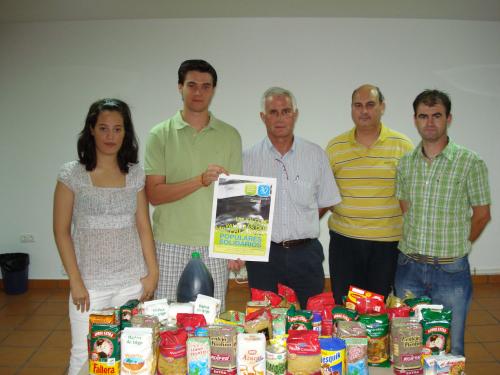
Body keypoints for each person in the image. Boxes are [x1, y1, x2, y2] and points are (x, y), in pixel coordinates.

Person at [53, 98, 159, 375]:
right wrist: (75, 281)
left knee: (130, 354)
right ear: (90, 129)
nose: (110, 136)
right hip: (90, 287)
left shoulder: (135, 174)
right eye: (103, 128)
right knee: (84, 356)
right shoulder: (72, 174)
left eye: (117, 129)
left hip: (131, 282)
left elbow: (143, 227)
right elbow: (61, 231)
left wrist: (152, 272)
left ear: (126, 133)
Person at [395, 89, 491, 355]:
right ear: (415, 119)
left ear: (449, 118)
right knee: (407, 346)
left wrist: (459, 244)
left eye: (436, 115)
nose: (429, 122)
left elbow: (482, 215)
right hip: (409, 268)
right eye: (423, 116)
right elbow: (406, 206)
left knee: (449, 349)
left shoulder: (470, 162)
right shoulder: (405, 164)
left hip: (451, 272)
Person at [144, 59, 243, 310]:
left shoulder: (230, 135)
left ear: (213, 90)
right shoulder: (160, 134)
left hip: (214, 244)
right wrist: (200, 180)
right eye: (192, 85)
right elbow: (154, 194)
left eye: (206, 86)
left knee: (210, 320)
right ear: (180, 87)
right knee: (165, 318)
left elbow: (236, 197)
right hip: (168, 241)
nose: (199, 92)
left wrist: (235, 247)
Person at [243, 87, 341, 309]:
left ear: (295, 114)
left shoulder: (315, 155)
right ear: (263, 117)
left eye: (286, 111)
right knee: (263, 320)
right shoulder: (247, 158)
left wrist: (301, 222)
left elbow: (326, 200)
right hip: (263, 255)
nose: (280, 118)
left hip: (306, 254)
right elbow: (242, 210)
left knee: (312, 319)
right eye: (273, 112)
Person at [325, 84, 413, 304]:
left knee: (380, 307)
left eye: (370, 105)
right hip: (345, 242)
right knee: (346, 306)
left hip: (387, 243)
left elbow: (412, 196)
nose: (364, 111)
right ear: (351, 109)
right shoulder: (335, 147)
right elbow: (325, 192)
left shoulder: (403, 146)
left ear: (382, 107)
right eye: (358, 105)